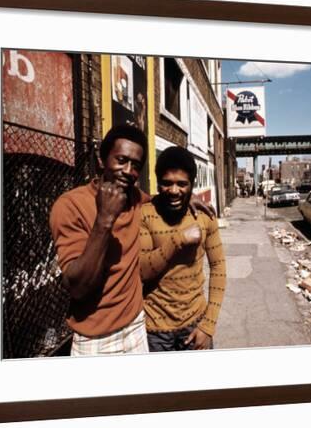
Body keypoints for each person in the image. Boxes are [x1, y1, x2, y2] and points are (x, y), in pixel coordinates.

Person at [49, 125, 214, 356]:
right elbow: (77, 287)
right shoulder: (70, 206)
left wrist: (188, 197)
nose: (128, 170)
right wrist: (104, 220)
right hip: (95, 337)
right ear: (101, 159)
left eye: (135, 165)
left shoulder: (137, 200)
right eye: (121, 160)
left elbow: (164, 196)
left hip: (137, 326)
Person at [139, 146, 227, 351]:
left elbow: (219, 268)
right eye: (167, 183)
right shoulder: (145, 214)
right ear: (158, 182)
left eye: (182, 184)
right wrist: (178, 240)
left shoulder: (204, 216)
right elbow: (142, 270)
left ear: (192, 185)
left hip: (196, 324)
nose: (174, 190)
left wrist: (208, 326)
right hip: (154, 331)